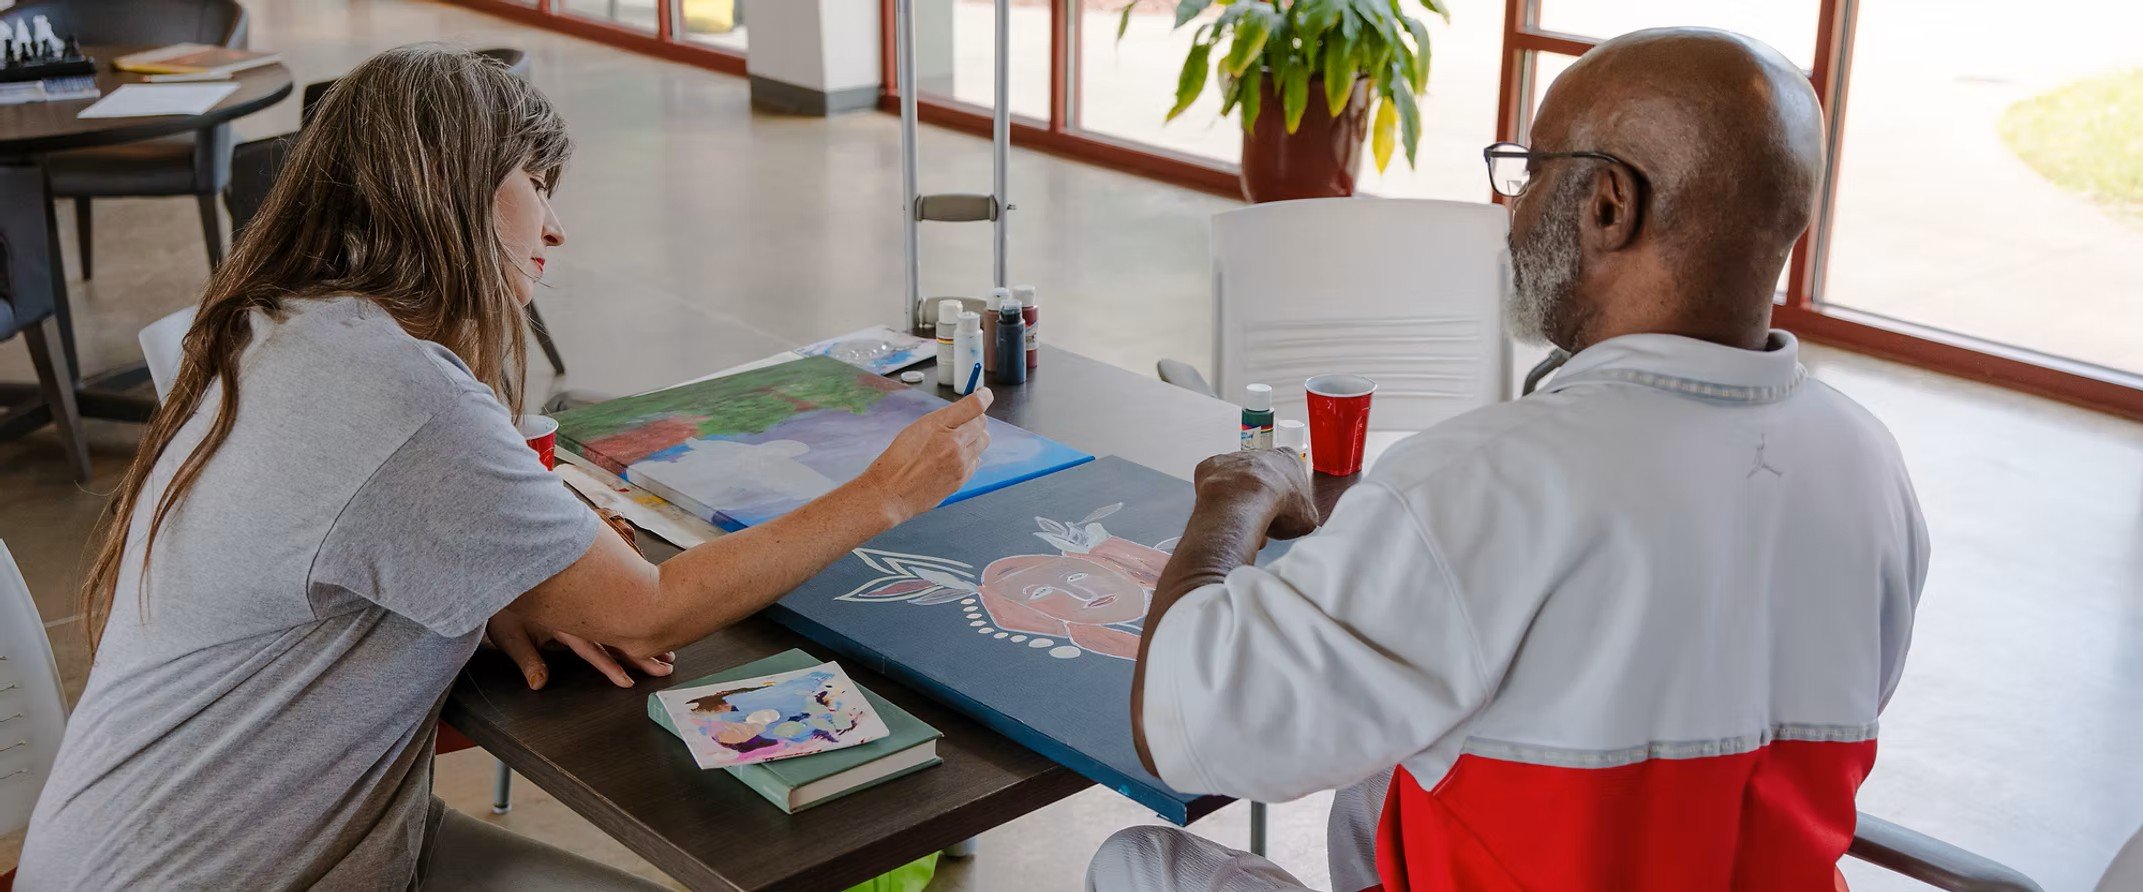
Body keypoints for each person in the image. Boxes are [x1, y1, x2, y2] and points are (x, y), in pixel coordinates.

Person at [17, 45, 991, 890]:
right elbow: (649, 611)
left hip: (287, 844)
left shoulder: (286, 330)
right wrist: (885, 491)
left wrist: (486, 594)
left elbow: (334, 541)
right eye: (536, 184)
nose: (554, 229)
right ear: (451, 183)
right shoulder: (400, 395)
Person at [1089, 27, 1927, 892]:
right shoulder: (1868, 463)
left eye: (1529, 174)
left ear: (1609, 206)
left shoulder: (1478, 483)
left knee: (1139, 863)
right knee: (1394, 772)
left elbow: (1182, 727)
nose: (1511, 211)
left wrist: (1232, 499)